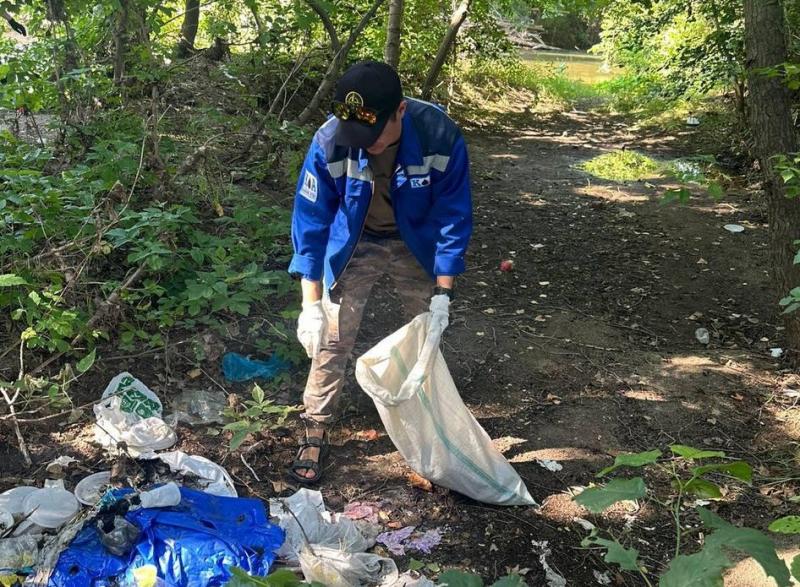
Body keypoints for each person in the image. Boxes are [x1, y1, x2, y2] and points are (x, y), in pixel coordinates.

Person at [287, 60, 473, 483]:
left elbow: (452, 216)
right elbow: (311, 223)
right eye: (358, 137)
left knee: (426, 331)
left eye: (374, 136)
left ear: (401, 111)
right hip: (358, 240)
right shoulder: (332, 139)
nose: (366, 146)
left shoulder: (439, 135)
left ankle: (428, 427)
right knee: (332, 334)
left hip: (415, 241)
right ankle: (315, 424)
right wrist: (311, 304)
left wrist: (443, 294)